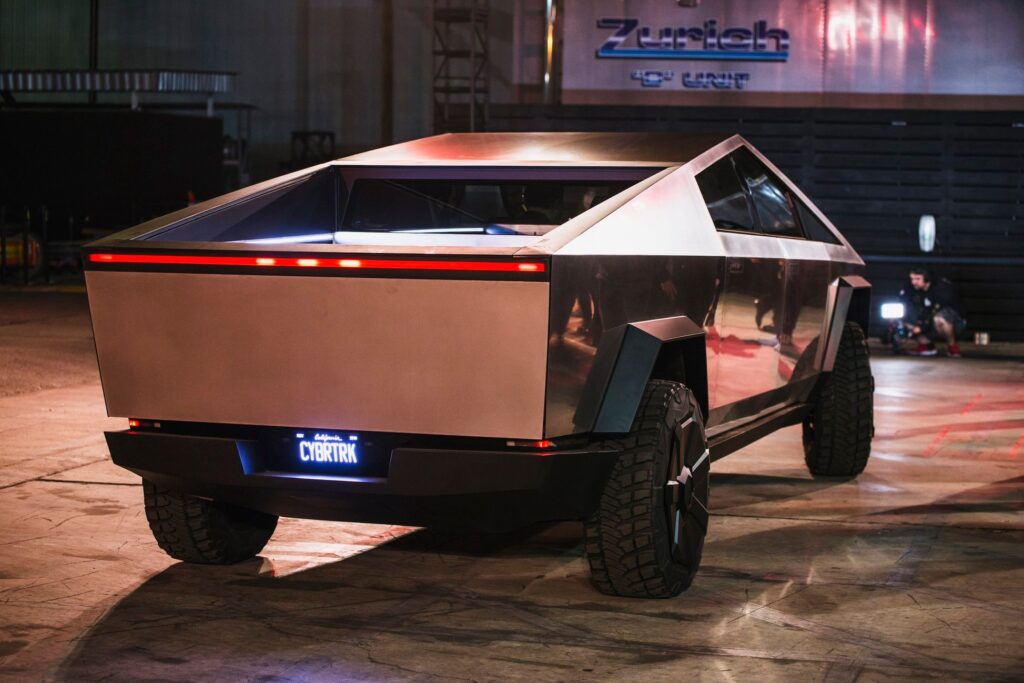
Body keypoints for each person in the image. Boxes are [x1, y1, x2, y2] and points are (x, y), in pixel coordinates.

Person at [901, 267, 965, 357]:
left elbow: (935, 309)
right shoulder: (911, 288)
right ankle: (926, 346)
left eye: (918, 279)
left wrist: (921, 326)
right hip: (927, 320)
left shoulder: (941, 288)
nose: (914, 282)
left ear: (927, 278)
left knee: (939, 318)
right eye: (912, 279)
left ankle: (952, 347)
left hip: (954, 324)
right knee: (903, 317)